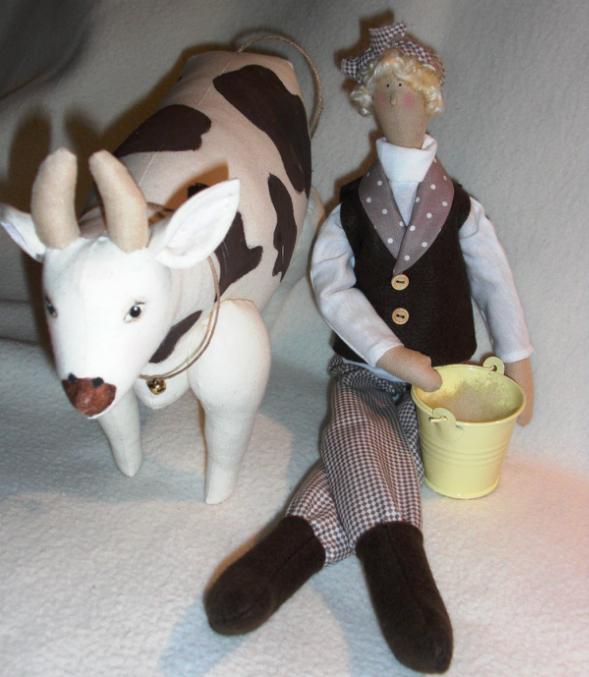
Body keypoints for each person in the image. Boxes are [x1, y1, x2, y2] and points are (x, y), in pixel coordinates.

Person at [204, 21, 534, 675]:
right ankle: (399, 569)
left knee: (367, 451)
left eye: (406, 91)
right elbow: (331, 286)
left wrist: (517, 358)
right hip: (363, 371)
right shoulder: (351, 206)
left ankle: (275, 562)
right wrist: (385, 353)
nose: (396, 101)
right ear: (369, 102)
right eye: (384, 91)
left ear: (429, 99)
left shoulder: (461, 208)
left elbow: (496, 281)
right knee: (359, 427)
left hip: (444, 386)